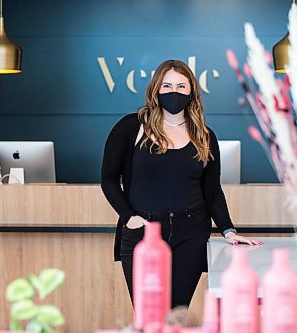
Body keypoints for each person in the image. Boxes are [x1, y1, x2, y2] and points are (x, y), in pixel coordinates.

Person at [101, 59, 261, 308]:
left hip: (191, 232)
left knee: (175, 314)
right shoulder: (131, 127)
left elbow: (212, 190)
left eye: (180, 86)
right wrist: (129, 217)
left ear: (191, 92)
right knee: (150, 315)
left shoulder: (204, 135)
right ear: (156, 89)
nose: (173, 92)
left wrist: (228, 230)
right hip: (144, 233)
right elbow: (109, 179)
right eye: (166, 86)